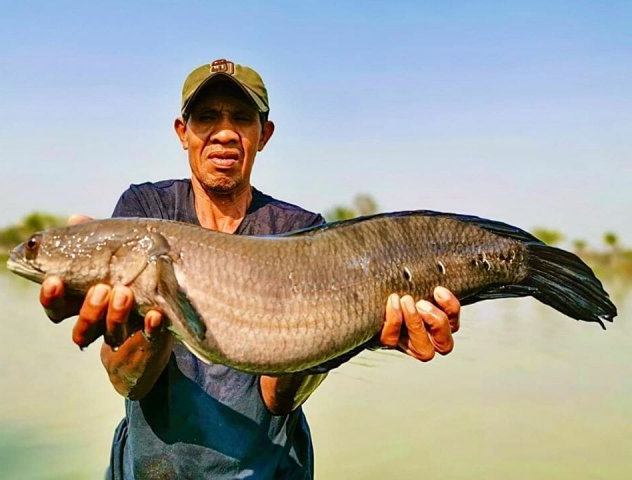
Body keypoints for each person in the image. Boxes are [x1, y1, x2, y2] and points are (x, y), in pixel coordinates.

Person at [39, 59, 461, 479]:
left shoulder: (300, 230)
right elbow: (128, 381)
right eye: (206, 118)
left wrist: (349, 331)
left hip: (269, 469)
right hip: (152, 469)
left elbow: (277, 399)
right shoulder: (146, 211)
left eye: (241, 118)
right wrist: (153, 324)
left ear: (265, 135)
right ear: (182, 133)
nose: (224, 133)